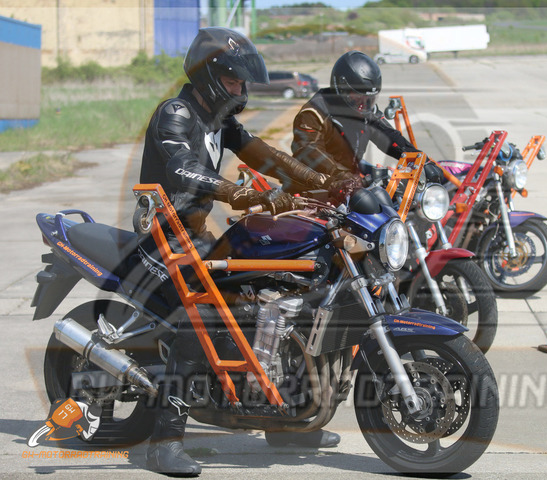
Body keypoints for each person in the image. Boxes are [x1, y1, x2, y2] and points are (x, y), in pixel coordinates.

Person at [139, 27, 343, 477]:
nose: (240, 89)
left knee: (272, 294)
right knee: (201, 319)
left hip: (196, 235)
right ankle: (164, 441)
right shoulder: (176, 114)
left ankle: (287, 421)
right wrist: (242, 194)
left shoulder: (220, 121)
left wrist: (324, 183)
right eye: (232, 81)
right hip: (163, 237)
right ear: (208, 76)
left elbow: (266, 155)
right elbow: (183, 169)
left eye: (242, 82)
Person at [291, 50, 443, 189]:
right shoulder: (313, 113)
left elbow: (389, 136)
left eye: (369, 99)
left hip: (348, 184)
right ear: (341, 87)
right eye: (358, 97)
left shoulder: (365, 111)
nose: (363, 104)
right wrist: (345, 176)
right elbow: (310, 151)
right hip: (310, 190)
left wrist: (421, 160)